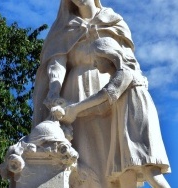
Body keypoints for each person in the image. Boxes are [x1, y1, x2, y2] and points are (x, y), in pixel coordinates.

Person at [32, 0, 170, 187]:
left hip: (112, 89)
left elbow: (127, 62)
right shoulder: (63, 27)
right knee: (82, 151)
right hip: (74, 90)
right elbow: (57, 63)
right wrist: (54, 91)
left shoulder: (113, 20)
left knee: (114, 152)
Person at [54, 38, 171, 187]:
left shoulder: (125, 72)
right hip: (125, 122)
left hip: (135, 121)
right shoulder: (121, 77)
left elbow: (106, 94)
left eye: (96, 59)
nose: (94, 64)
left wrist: (76, 108)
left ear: (107, 56)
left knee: (149, 168)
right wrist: (74, 112)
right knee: (125, 172)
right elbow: (101, 106)